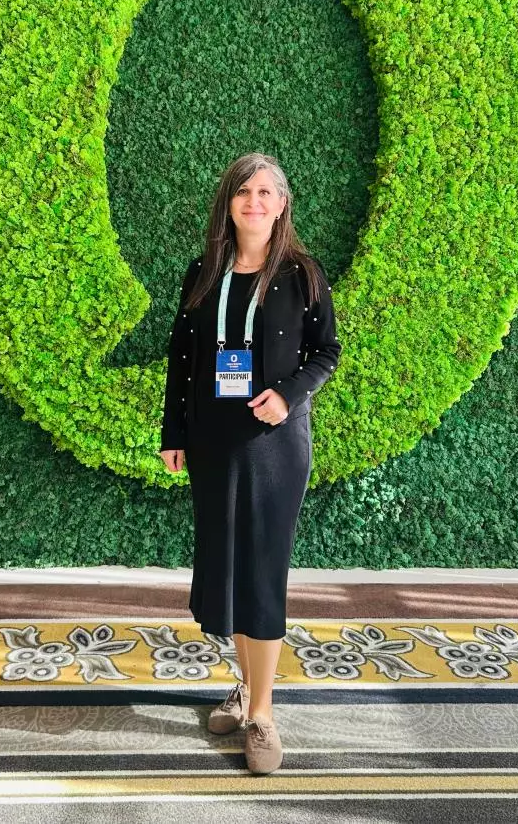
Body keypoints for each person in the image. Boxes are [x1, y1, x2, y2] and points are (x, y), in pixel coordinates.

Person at [159, 152, 343, 775]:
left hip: (274, 445)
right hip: (213, 442)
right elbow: (182, 359)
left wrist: (288, 395)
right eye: (244, 191)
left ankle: (263, 715)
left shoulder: (302, 274)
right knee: (230, 571)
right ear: (229, 202)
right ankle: (244, 687)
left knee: (262, 571)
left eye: (266, 192)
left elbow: (326, 352)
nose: (255, 201)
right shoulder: (203, 272)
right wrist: (174, 432)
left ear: (282, 204)